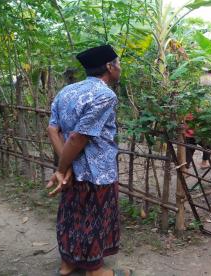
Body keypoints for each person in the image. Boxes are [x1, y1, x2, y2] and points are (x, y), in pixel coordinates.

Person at [47, 45, 133, 276]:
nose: (120, 68)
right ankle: (95, 271)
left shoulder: (66, 91)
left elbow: (53, 129)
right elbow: (78, 137)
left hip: (73, 171)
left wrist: (64, 169)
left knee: (71, 215)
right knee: (95, 218)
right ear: (109, 66)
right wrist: (63, 167)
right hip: (97, 172)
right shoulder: (105, 95)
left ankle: (68, 265)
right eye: (119, 64)